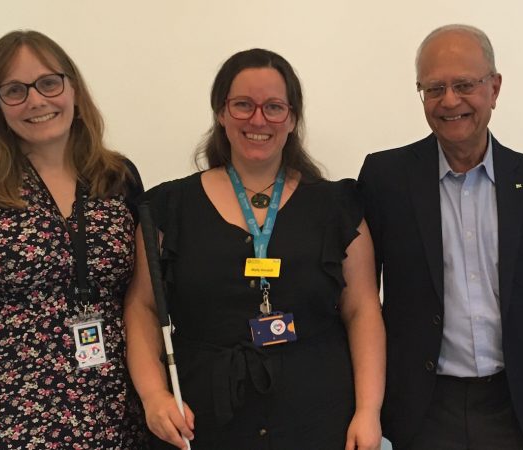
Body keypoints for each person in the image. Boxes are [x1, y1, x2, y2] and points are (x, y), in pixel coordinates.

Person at [124, 48, 385, 450]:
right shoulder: (167, 208)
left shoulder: (337, 207)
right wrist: (153, 395)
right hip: (201, 419)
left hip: (318, 418)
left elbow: (362, 308)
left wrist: (369, 410)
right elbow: (142, 306)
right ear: (220, 112)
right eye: (243, 104)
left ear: (293, 118)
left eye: (274, 107)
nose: (258, 119)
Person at [0, 30, 146, 449]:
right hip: (2, 417)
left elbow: (142, 298)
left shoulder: (119, 177)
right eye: (15, 90)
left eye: (48, 83)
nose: (36, 101)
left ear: (73, 88)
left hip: (112, 416)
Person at [358, 24, 523, 450]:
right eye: (434, 88)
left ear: (494, 89)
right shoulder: (385, 179)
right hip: (419, 407)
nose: (450, 100)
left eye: (465, 84)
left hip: (517, 405)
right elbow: (361, 298)